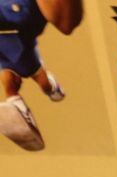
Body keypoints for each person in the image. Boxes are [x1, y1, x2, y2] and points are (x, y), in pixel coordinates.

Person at [0, 0, 83, 150]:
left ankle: (50, 86)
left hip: (22, 44)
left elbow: (65, 23)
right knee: (8, 79)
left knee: (39, 78)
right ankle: (16, 105)